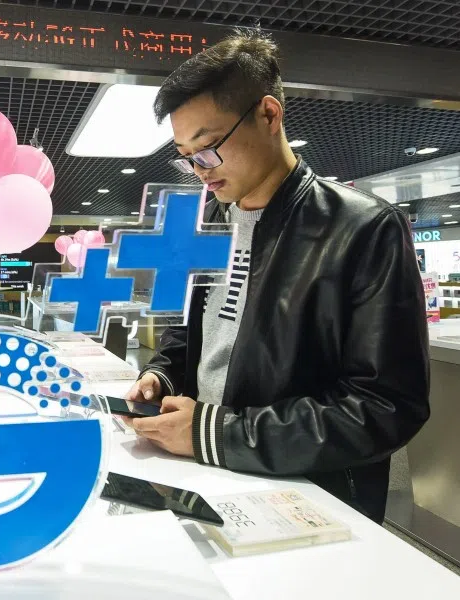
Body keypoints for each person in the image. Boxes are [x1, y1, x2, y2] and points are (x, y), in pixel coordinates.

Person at [124, 29, 429, 524]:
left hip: (310, 495)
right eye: (186, 156)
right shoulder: (211, 220)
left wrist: (215, 433)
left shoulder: (364, 228)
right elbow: (195, 330)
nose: (200, 169)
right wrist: (161, 375)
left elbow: (384, 407)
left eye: (209, 147)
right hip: (210, 475)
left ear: (269, 115)